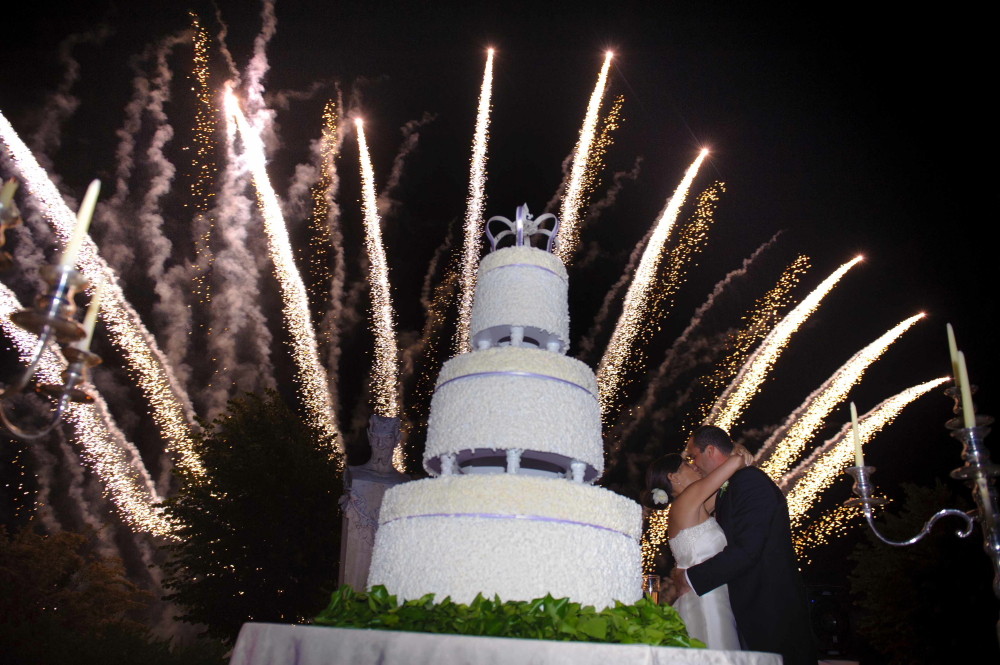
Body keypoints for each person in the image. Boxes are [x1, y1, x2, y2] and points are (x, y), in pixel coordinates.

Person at [671, 425, 818, 664]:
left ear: (710, 450)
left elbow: (748, 550)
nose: (694, 464)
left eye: (693, 456)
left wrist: (691, 578)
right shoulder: (731, 485)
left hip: (770, 608)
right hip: (751, 607)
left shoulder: (749, 481)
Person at [645, 444, 751, 650]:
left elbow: (725, 487)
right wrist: (737, 452)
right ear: (673, 477)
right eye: (686, 464)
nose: (694, 466)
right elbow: (735, 464)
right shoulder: (688, 499)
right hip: (707, 600)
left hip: (707, 592)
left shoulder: (692, 505)